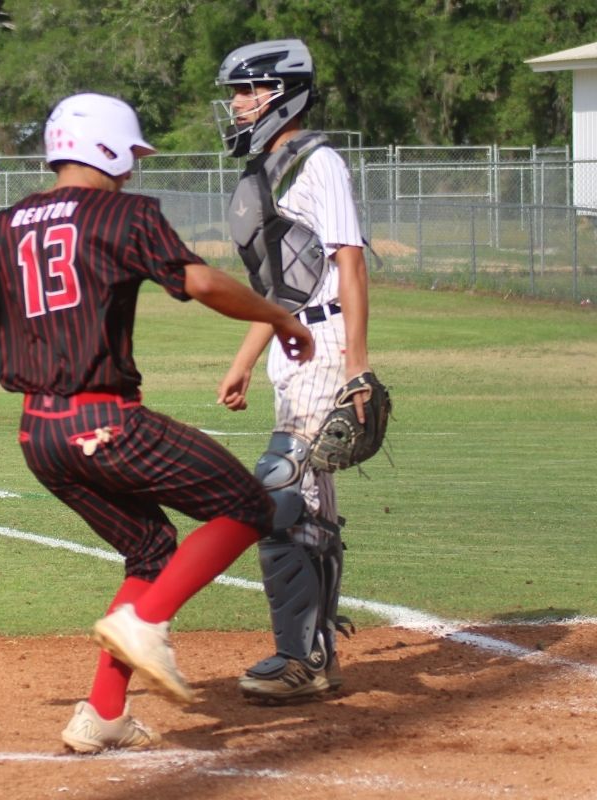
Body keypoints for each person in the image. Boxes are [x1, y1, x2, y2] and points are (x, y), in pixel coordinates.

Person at [0, 93, 314, 753]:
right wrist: (280, 317)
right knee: (246, 503)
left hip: (40, 436)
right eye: (130, 155)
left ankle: (103, 713)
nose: (132, 170)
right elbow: (202, 284)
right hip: (106, 422)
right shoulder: (126, 215)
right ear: (110, 149)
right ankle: (147, 621)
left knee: (151, 549)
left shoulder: (0, 227)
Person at [212, 39, 371, 701]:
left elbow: (350, 263)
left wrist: (358, 370)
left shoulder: (318, 162)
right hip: (293, 346)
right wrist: (245, 360)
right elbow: (284, 288)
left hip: (327, 343)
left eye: (250, 90)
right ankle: (319, 654)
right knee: (307, 507)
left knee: (277, 490)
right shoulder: (274, 168)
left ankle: (297, 657)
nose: (238, 103)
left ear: (283, 93)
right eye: (237, 93)